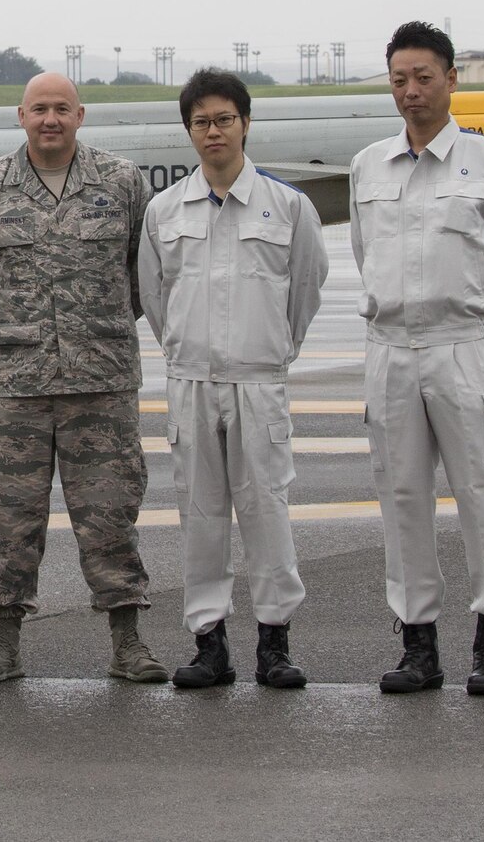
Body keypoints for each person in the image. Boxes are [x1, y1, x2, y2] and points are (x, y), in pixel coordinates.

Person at [0, 72, 169, 684]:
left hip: (102, 380)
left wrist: (104, 323)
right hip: (17, 384)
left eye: (61, 109)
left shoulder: (120, 183)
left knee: (111, 512)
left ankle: (128, 642)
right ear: (21, 116)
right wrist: (8, 328)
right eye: (39, 109)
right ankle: (3, 641)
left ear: (80, 115)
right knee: (12, 515)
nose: (50, 119)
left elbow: (142, 271)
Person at [351, 21, 484, 695]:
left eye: (423, 76)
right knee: (402, 497)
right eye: (399, 79)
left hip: (463, 347)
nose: (411, 91)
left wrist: (475, 317)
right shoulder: (370, 165)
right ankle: (418, 643)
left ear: (451, 79)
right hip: (392, 348)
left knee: (481, 491)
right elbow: (367, 254)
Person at [138, 70, 327, 690]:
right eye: (200, 122)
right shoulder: (165, 210)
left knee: (266, 511)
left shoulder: (288, 206)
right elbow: (154, 296)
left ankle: (275, 642)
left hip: (258, 381)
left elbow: (306, 286)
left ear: (246, 123)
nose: (212, 131)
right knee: (200, 514)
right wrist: (186, 349)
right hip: (191, 380)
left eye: (223, 119)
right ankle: (209, 642)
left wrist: (271, 350)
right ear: (188, 130)